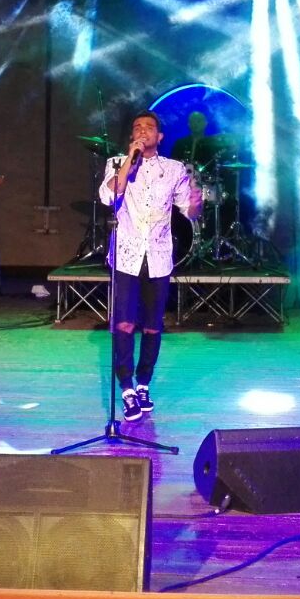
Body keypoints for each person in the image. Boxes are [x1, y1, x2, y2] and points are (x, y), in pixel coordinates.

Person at [98, 110, 202, 421]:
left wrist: (196, 204)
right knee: (124, 324)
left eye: (149, 127)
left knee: (153, 325)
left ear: (160, 136)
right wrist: (129, 162)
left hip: (158, 256)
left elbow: (188, 210)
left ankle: (144, 384)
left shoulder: (174, 169)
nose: (143, 131)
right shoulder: (117, 163)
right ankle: (126, 388)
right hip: (126, 255)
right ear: (132, 136)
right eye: (137, 127)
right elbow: (108, 196)